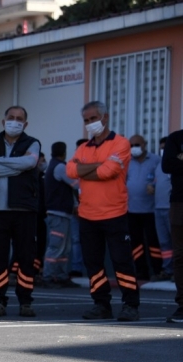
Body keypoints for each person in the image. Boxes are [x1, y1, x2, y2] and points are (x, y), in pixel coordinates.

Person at [66, 101, 140, 321]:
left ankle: (131, 305)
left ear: (105, 117)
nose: (90, 123)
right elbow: (70, 170)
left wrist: (84, 169)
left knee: (122, 262)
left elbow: (109, 171)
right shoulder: (84, 147)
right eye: (86, 120)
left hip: (115, 214)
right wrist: (99, 165)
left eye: (93, 118)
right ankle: (101, 304)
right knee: (93, 263)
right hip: (87, 215)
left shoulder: (121, 143)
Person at [0, 106, 41, 318]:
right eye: (11, 117)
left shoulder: (32, 143)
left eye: (19, 119)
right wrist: (18, 166)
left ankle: (25, 301)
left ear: (25, 124)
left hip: (24, 209)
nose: (15, 121)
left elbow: (31, 162)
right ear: (3, 121)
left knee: (26, 257)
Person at [127, 134, 165, 281]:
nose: (134, 148)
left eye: (137, 145)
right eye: (131, 146)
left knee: (153, 242)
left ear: (145, 144)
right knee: (136, 243)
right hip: (131, 210)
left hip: (151, 210)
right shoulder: (127, 161)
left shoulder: (156, 160)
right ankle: (141, 271)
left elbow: (162, 178)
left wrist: (154, 186)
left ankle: (158, 270)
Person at [42, 142, 80, 288]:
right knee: (56, 246)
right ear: (64, 152)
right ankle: (48, 276)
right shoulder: (60, 167)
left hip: (62, 213)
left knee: (64, 248)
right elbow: (75, 184)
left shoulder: (54, 166)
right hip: (59, 214)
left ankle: (60, 276)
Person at [161, 129, 183, 323]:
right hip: (179, 203)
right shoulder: (176, 138)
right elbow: (168, 164)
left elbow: (176, 163)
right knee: (180, 255)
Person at [154, 137, 173, 282]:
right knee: (164, 242)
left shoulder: (177, 164)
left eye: (165, 148)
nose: (163, 150)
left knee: (177, 242)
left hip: (172, 208)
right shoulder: (159, 164)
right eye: (161, 148)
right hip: (158, 209)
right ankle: (168, 269)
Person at [69, 138, 89, 278]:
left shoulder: (94, 164)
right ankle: (77, 268)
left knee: (92, 240)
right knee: (76, 240)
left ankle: (93, 268)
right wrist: (76, 205)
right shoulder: (73, 166)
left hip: (93, 210)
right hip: (76, 210)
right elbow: (72, 188)